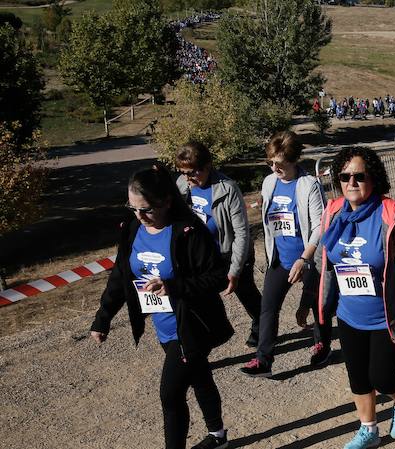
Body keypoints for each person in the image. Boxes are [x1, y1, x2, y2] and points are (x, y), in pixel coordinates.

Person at [90, 165, 234, 449]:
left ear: (167, 201)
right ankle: (218, 436)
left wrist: (174, 286)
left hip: (192, 326)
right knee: (199, 375)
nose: (139, 216)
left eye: (146, 209)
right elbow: (121, 275)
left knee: (170, 395)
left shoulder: (189, 231)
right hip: (164, 326)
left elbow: (218, 276)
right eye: (133, 208)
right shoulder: (132, 228)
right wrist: (103, 317)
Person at [317, 147, 395, 449]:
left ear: (373, 178)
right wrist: (317, 303)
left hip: (386, 316)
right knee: (358, 378)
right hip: (349, 314)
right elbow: (326, 264)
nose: (352, 182)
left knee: (382, 377)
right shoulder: (333, 213)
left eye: (359, 176)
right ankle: (369, 429)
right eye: (345, 176)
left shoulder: (392, 215)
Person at [240, 131, 329, 378]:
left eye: (279, 163)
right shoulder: (269, 182)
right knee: (268, 308)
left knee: (315, 304)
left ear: (293, 160)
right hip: (279, 258)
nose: (274, 167)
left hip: (309, 258)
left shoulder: (308, 185)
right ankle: (263, 360)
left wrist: (305, 257)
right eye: (270, 162)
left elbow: (320, 225)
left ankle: (322, 344)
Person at [174, 142, 260, 348]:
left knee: (247, 295)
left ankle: (262, 325)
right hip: (204, 256)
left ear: (208, 166)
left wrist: (235, 270)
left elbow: (241, 233)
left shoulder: (227, 188)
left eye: (193, 172)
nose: (188, 178)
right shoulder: (182, 184)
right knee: (202, 297)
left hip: (231, 254)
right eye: (183, 172)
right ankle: (209, 335)